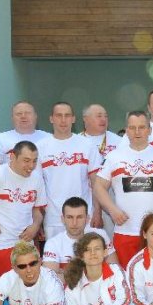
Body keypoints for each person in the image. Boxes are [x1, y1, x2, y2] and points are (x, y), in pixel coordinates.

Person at [93, 111, 153, 267]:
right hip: (125, 232)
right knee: (127, 281)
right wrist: (112, 210)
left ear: (149, 130)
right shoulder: (114, 156)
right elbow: (98, 186)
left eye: (141, 127)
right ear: (126, 130)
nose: (137, 132)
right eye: (132, 128)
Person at [0, 140, 47, 281]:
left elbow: (39, 209)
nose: (31, 166)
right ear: (13, 157)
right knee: (5, 288)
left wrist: (35, 226)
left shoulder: (37, 178)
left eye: (34, 161)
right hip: (2, 242)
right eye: (26, 160)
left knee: (31, 285)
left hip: (26, 242)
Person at [37, 102, 101, 240]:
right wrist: (37, 221)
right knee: (58, 261)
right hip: (54, 218)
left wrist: (97, 212)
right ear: (51, 119)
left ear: (73, 119)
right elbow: (37, 187)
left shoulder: (87, 145)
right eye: (59, 115)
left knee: (86, 259)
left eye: (67, 115)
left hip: (84, 217)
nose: (63, 120)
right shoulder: (40, 147)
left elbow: (96, 182)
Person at [42, 196, 117, 273]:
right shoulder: (53, 243)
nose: (74, 223)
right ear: (63, 219)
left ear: (87, 219)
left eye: (79, 217)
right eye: (70, 217)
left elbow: (114, 270)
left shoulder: (101, 235)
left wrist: (65, 273)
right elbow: (51, 279)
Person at [0, 101, 51, 169]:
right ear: (12, 118)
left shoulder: (49, 138)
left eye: (27, 113)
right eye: (19, 114)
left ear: (35, 116)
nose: (23, 116)